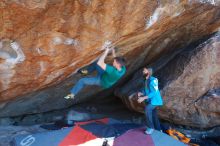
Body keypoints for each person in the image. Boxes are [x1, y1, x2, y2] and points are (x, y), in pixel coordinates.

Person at [137, 68, 163, 134]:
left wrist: (143, 98)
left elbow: (154, 92)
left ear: (148, 72)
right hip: (150, 100)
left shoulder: (154, 80)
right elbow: (147, 91)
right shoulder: (145, 80)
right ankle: (159, 129)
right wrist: (141, 93)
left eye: (144, 70)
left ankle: (151, 128)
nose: (143, 71)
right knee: (154, 114)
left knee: (147, 109)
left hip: (155, 101)